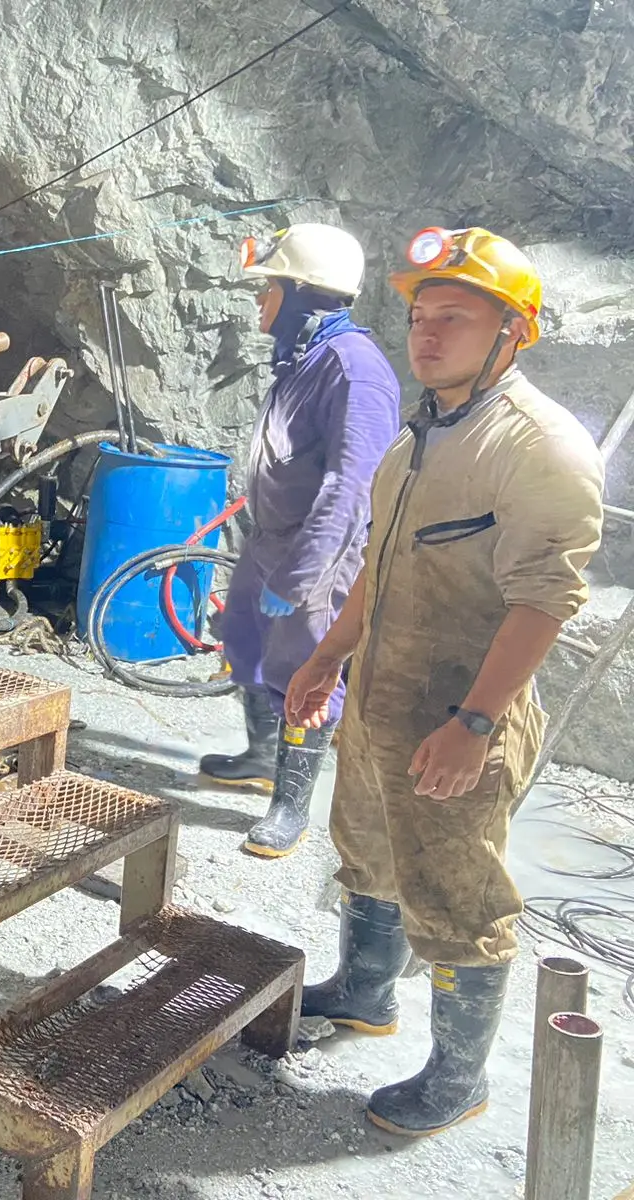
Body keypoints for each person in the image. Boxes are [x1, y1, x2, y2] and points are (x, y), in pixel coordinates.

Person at [286, 227, 604, 1136]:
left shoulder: (539, 446)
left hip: (459, 714)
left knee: (457, 890)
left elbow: (544, 600)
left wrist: (475, 724)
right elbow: (380, 569)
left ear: (514, 331)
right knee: (368, 849)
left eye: (454, 318)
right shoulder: (419, 436)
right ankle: (365, 992)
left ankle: (458, 1080)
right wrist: (327, 657)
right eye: (420, 316)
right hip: (380, 699)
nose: (426, 334)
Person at [200, 223, 401, 857]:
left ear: (303, 292)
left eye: (270, 288)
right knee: (245, 644)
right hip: (271, 542)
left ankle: (290, 806)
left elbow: (352, 490)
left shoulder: (353, 370)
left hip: (319, 555)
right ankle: (262, 757)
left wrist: (299, 577)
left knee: (304, 671)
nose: (261, 301)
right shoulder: (303, 358)